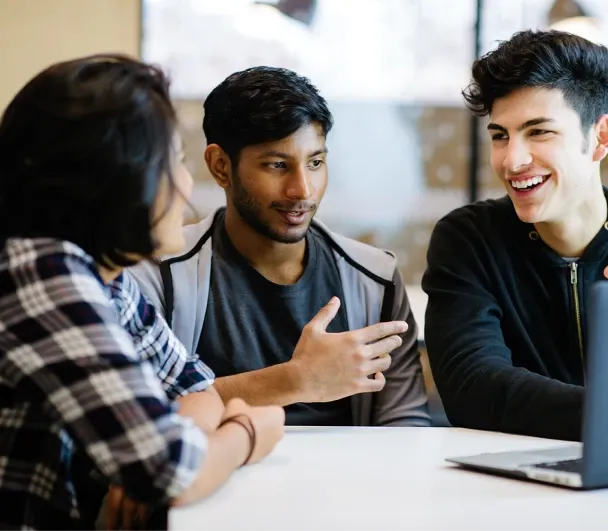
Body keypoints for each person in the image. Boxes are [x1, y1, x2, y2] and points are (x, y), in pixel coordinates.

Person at [0, 55, 285, 531]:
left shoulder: (109, 278)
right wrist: (248, 431)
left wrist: (169, 447)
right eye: (172, 160)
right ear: (115, 177)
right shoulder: (43, 272)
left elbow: (198, 389)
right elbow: (168, 471)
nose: (187, 184)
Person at [422, 29, 608, 442]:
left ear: (600, 138)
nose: (512, 160)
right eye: (500, 135)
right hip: (519, 490)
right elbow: (472, 387)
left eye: (539, 131)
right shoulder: (470, 240)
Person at [130, 66, 430, 427]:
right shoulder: (158, 277)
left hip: (346, 482)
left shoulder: (374, 278)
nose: (302, 190)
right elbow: (138, 420)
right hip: (218, 480)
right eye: (277, 165)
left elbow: (405, 427)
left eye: (315, 162)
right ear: (221, 166)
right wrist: (296, 380)